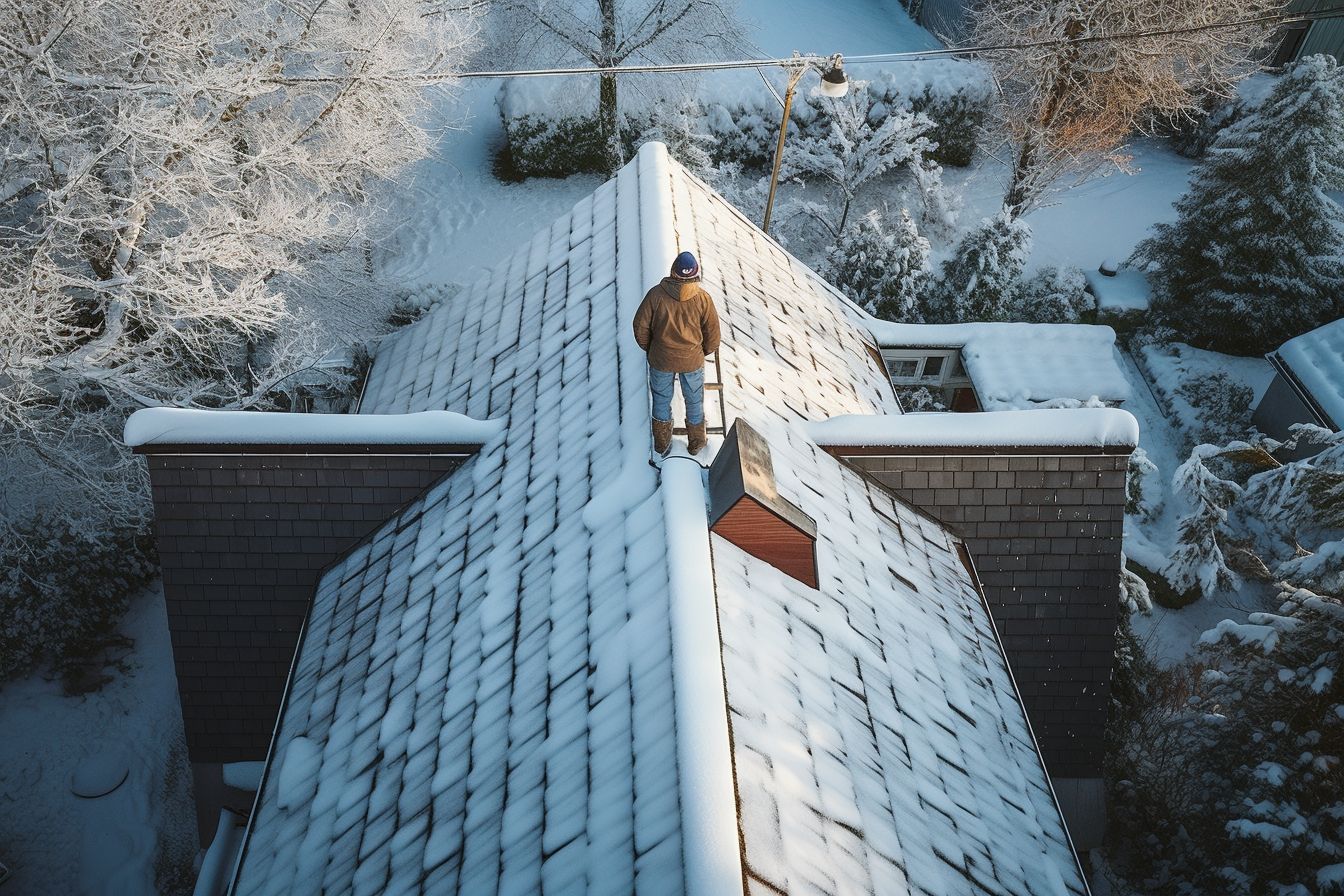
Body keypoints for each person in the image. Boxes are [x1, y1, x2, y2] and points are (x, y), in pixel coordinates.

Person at [633, 250, 721, 456]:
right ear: (696, 273)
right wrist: (702, 351)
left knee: (661, 399)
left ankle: (662, 443)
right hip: (692, 360)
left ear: (673, 271)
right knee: (694, 400)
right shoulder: (703, 299)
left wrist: (653, 348)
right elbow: (713, 334)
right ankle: (697, 442)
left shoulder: (655, 295)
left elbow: (640, 327)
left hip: (661, 360)